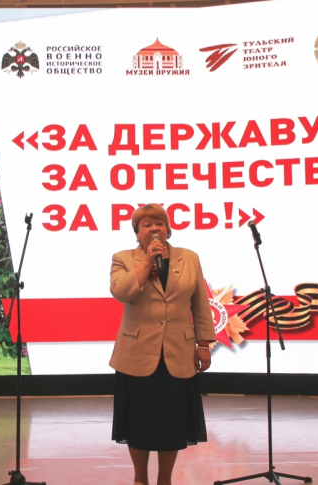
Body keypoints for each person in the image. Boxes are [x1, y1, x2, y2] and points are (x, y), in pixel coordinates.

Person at [109, 203, 216, 485]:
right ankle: (140, 479)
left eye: (159, 223)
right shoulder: (123, 259)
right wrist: (147, 261)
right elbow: (122, 292)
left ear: (168, 229)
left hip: (178, 353)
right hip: (137, 354)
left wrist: (203, 343)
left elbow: (200, 303)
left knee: (172, 423)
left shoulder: (189, 258)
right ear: (137, 233)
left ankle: (164, 480)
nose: (154, 228)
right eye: (146, 225)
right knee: (138, 423)